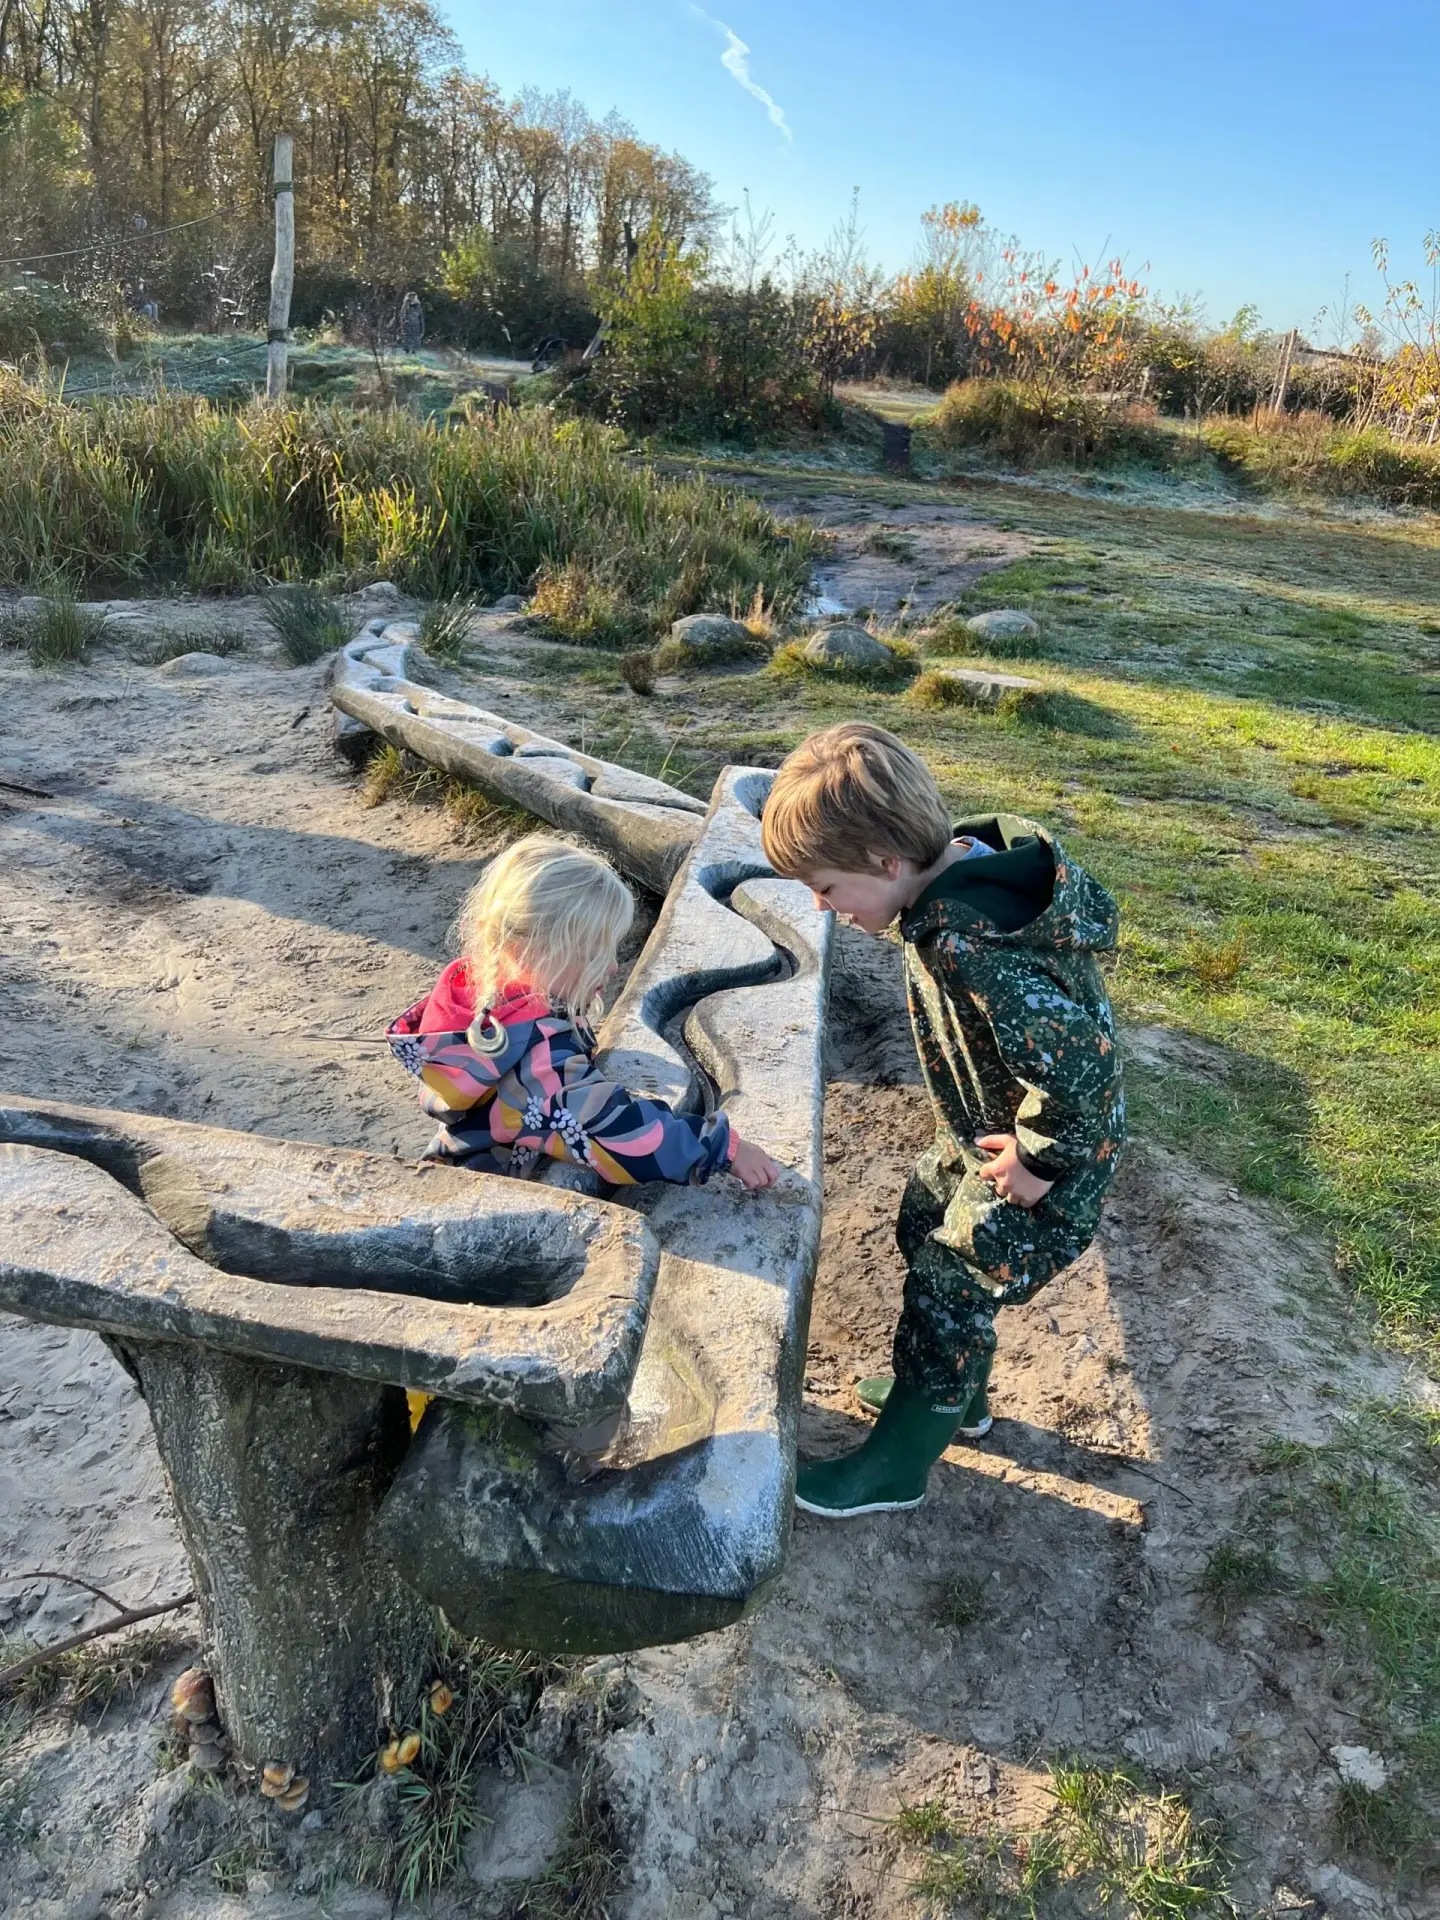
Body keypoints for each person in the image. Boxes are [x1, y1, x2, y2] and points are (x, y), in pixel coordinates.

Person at [761, 723, 1126, 1519]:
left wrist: (1039, 1161)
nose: (821, 907)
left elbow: (1085, 1070)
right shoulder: (954, 875)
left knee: (949, 1285)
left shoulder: (970, 942)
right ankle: (958, 1394)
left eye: (826, 888)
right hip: (986, 1134)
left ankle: (896, 1467)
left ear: (884, 862)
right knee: (923, 1219)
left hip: (1045, 1164)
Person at [387, 835, 781, 1192]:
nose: (611, 967)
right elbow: (619, 1134)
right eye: (591, 953)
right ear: (527, 948)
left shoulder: (494, 1004)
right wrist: (721, 1148)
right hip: (496, 1199)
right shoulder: (535, 1065)